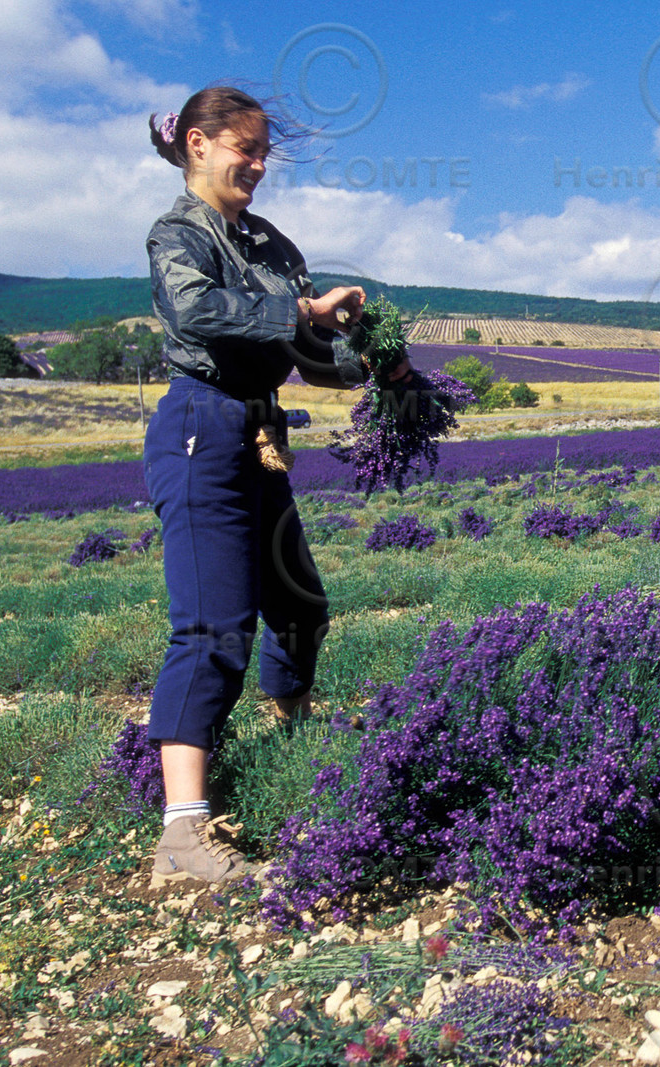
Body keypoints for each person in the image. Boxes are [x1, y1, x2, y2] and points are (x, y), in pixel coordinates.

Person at [143, 86, 409, 885]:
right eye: (244, 150)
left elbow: (306, 355)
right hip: (200, 429)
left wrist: (374, 362)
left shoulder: (268, 241)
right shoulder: (177, 234)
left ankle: (291, 751)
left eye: (264, 154)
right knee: (213, 628)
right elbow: (194, 313)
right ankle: (182, 833)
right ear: (197, 144)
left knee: (299, 606)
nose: (257, 166)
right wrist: (301, 306)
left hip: (259, 435)